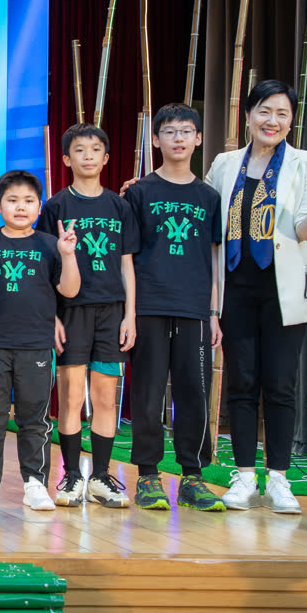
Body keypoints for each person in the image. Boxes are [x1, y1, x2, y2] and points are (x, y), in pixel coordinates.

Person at [206, 80, 307, 514]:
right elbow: (205, 218)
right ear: (249, 115)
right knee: (242, 383)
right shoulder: (225, 163)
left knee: (281, 385)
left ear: (291, 121)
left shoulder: (306, 163)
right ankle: (244, 477)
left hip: (283, 290)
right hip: (235, 288)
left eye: (282, 113)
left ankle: (279, 479)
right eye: (265, 111)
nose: (272, 121)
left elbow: (305, 231)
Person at [123, 103, 225, 512]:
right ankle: (148, 475)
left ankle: (193, 477)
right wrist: (130, 313)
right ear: (156, 139)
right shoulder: (139, 193)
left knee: (194, 394)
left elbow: (214, 257)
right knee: (147, 394)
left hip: (195, 309)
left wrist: (214, 313)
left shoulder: (209, 197)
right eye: (169, 131)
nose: (178, 138)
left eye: (186, 131)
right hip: (149, 306)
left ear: (198, 139)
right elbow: (127, 257)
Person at [0, 170, 80, 511]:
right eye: (12, 200)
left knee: (34, 419)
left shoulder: (50, 244)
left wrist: (68, 254)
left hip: (36, 346)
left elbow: (70, 290)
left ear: (39, 206)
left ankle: (35, 484)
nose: (20, 207)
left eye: (28, 201)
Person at [36, 124, 138, 508]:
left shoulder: (120, 207)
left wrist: (130, 315)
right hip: (71, 312)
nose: (88, 156)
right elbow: (46, 270)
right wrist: (52, 317)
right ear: (67, 159)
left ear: (106, 158)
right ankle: (71, 476)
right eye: (80, 150)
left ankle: (100, 477)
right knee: (71, 395)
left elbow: (127, 266)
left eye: (96, 149)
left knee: (106, 397)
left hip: (111, 313)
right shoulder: (56, 207)